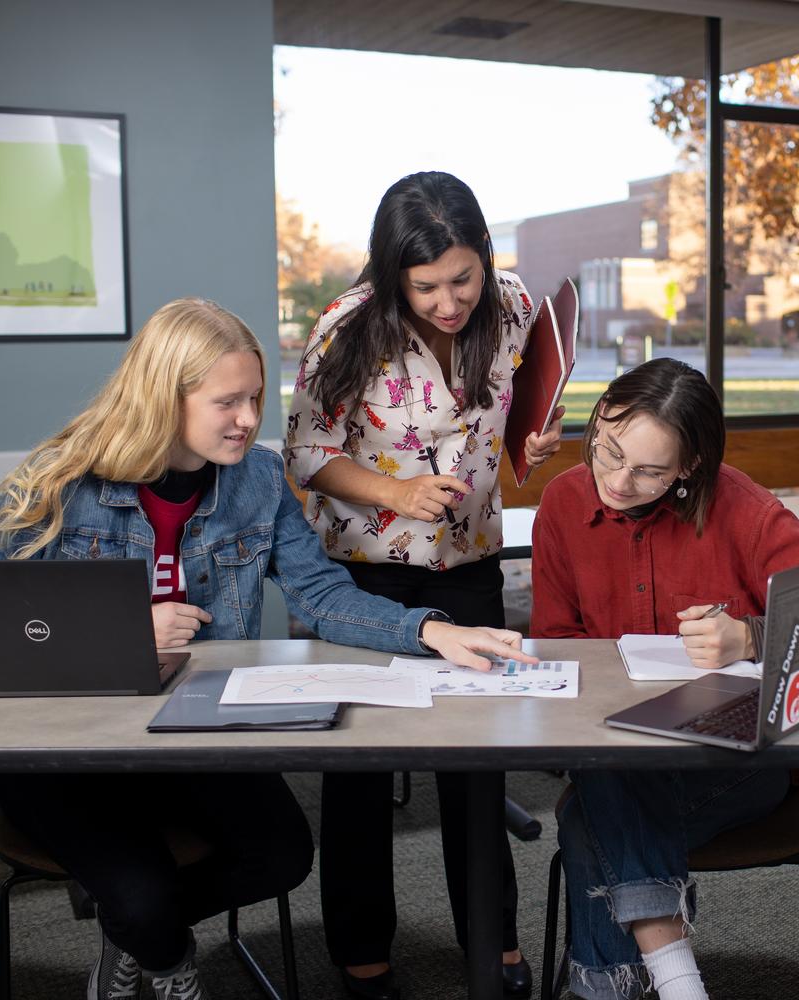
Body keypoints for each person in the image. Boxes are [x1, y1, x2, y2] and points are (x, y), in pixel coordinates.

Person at [0, 297, 533, 1000]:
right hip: (67, 746)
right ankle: (166, 957)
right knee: (143, 895)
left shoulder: (257, 481)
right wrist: (114, 638)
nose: (248, 419)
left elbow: (322, 597)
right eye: (226, 402)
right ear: (163, 398)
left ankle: (137, 934)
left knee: (283, 854)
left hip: (188, 735)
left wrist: (430, 630)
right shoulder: (60, 480)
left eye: (255, 398)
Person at [530, 358, 799, 1000]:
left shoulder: (742, 508)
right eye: (606, 450)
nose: (615, 480)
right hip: (615, 751)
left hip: (733, 763)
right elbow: (556, 647)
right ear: (598, 420)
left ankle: (637, 986)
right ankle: (676, 981)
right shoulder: (563, 503)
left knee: (596, 814)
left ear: (689, 466)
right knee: (606, 783)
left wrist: (750, 635)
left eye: (647, 471)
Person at [285, 170, 562, 1000]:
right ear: (392, 275)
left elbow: (504, 409)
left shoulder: (510, 303)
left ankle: (497, 947)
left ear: (485, 256)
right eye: (428, 286)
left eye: (463, 278)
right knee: (362, 774)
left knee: (479, 764)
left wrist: (528, 446)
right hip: (362, 576)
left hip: (471, 558)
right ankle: (364, 959)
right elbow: (304, 455)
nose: (451, 302)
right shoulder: (347, 328)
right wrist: (395, 493)